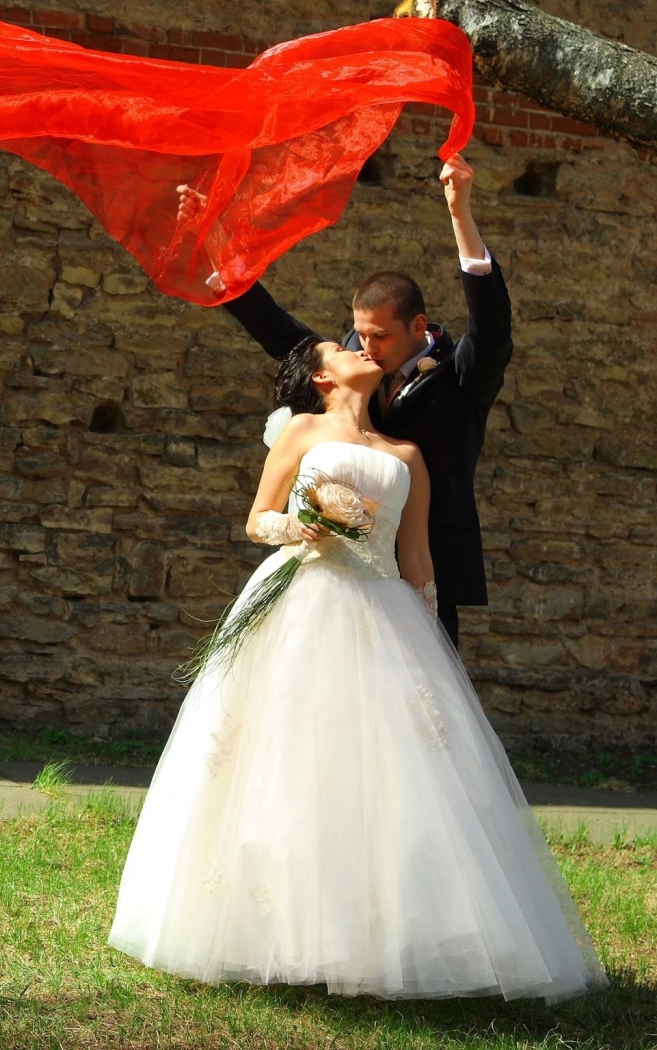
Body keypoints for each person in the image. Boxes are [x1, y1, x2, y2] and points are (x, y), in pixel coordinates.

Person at [107, 336, 607, 1002]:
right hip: (303, 598)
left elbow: (418, 556)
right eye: (340, 347)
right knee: (287, 763)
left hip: (383, 608)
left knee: (386, 776)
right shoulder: (304, 431)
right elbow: (259, 516)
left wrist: (433, 645)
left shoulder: (408, 456)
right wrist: (298, 527)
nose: (357, 347)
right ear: (321, 374)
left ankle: (377, 934)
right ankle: (273, 928)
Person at [202, 154, 510, 647]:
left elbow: (492, 328)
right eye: (358, 336)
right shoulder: (351, 366)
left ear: (418, 327)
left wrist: (460, 214)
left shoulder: (460, 378)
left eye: (379, 337)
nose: (364, 349)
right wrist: (219, 251)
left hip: (426, 563)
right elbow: (281, 334)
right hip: (336, 571)